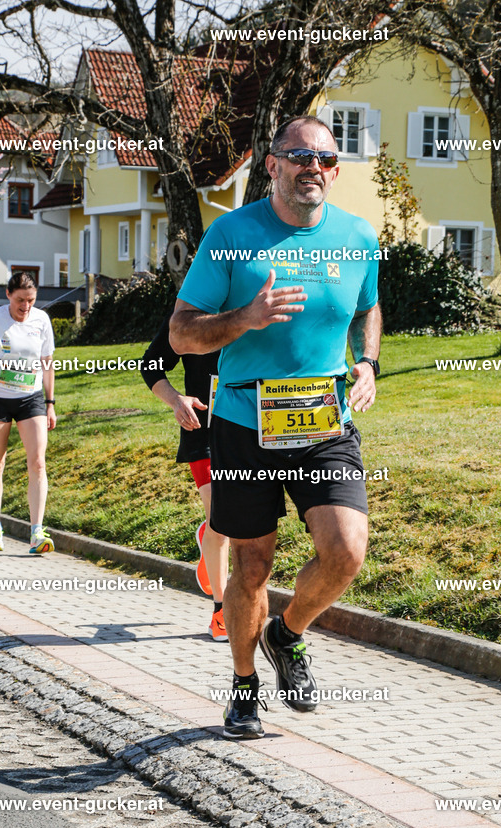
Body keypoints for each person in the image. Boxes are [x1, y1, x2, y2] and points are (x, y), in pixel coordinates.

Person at [170, 114, 382, 739]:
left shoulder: (357, 236)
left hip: (324, 421)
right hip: (243, 423)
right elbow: (183, 332)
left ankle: (285, 634)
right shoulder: (231, 236)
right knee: (253, 566)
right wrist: (245, 317)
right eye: (298, 156)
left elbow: (368, 305)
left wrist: (367, 362)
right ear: (273, 165)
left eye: (323, 159)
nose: (311, 168)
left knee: (346, 552)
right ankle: (242, 687)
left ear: (335, 171)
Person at [141, 315, 230, 641]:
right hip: (202, 432)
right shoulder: (192, 315)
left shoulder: (258, 305)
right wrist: (176, 399)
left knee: (230, 520)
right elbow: (151, 365)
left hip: (251, 432)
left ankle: (209, 537)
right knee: (222, 518)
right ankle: (221, 613)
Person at [0, 271, 56, 554]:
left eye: (31, 300)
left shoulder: (41, 320)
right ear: (8, 295)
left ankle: (37, 533)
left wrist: (50, 403)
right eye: (20, 300)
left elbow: (47, 363)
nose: (25, 306)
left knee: (38, 463)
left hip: (31, 399)